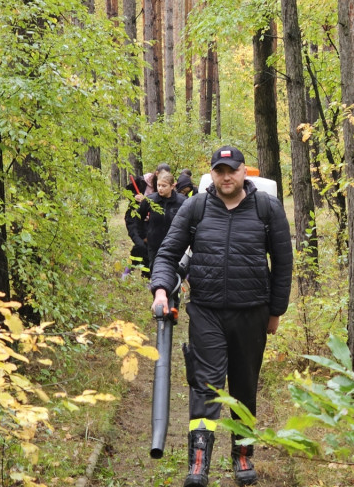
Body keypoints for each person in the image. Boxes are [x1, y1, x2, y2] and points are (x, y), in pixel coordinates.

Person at [149, 145, 293, 487]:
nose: (226, 177)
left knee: (244, 386)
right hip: (206, 311)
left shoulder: (266, 208)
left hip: (252, 312)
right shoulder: (196, 208)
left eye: (232, 170)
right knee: (205, 386)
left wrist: (276, 311)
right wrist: (159, 289)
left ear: (244, 172)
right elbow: (168, 253)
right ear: (212, 175)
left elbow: (283, 263)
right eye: (219, 171)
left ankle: (243, 456)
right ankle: (199, 462)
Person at [128, 171, 186, 277]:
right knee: (156, 273)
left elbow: (189, 221)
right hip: (154, 244)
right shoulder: (150, 200)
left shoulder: (182, 201)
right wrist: (143, 236)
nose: (160, 188)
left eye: (164, 186)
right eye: (158, 185)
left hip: (175, 244)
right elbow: (138, 218)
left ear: (172, 186)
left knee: (174, 273)